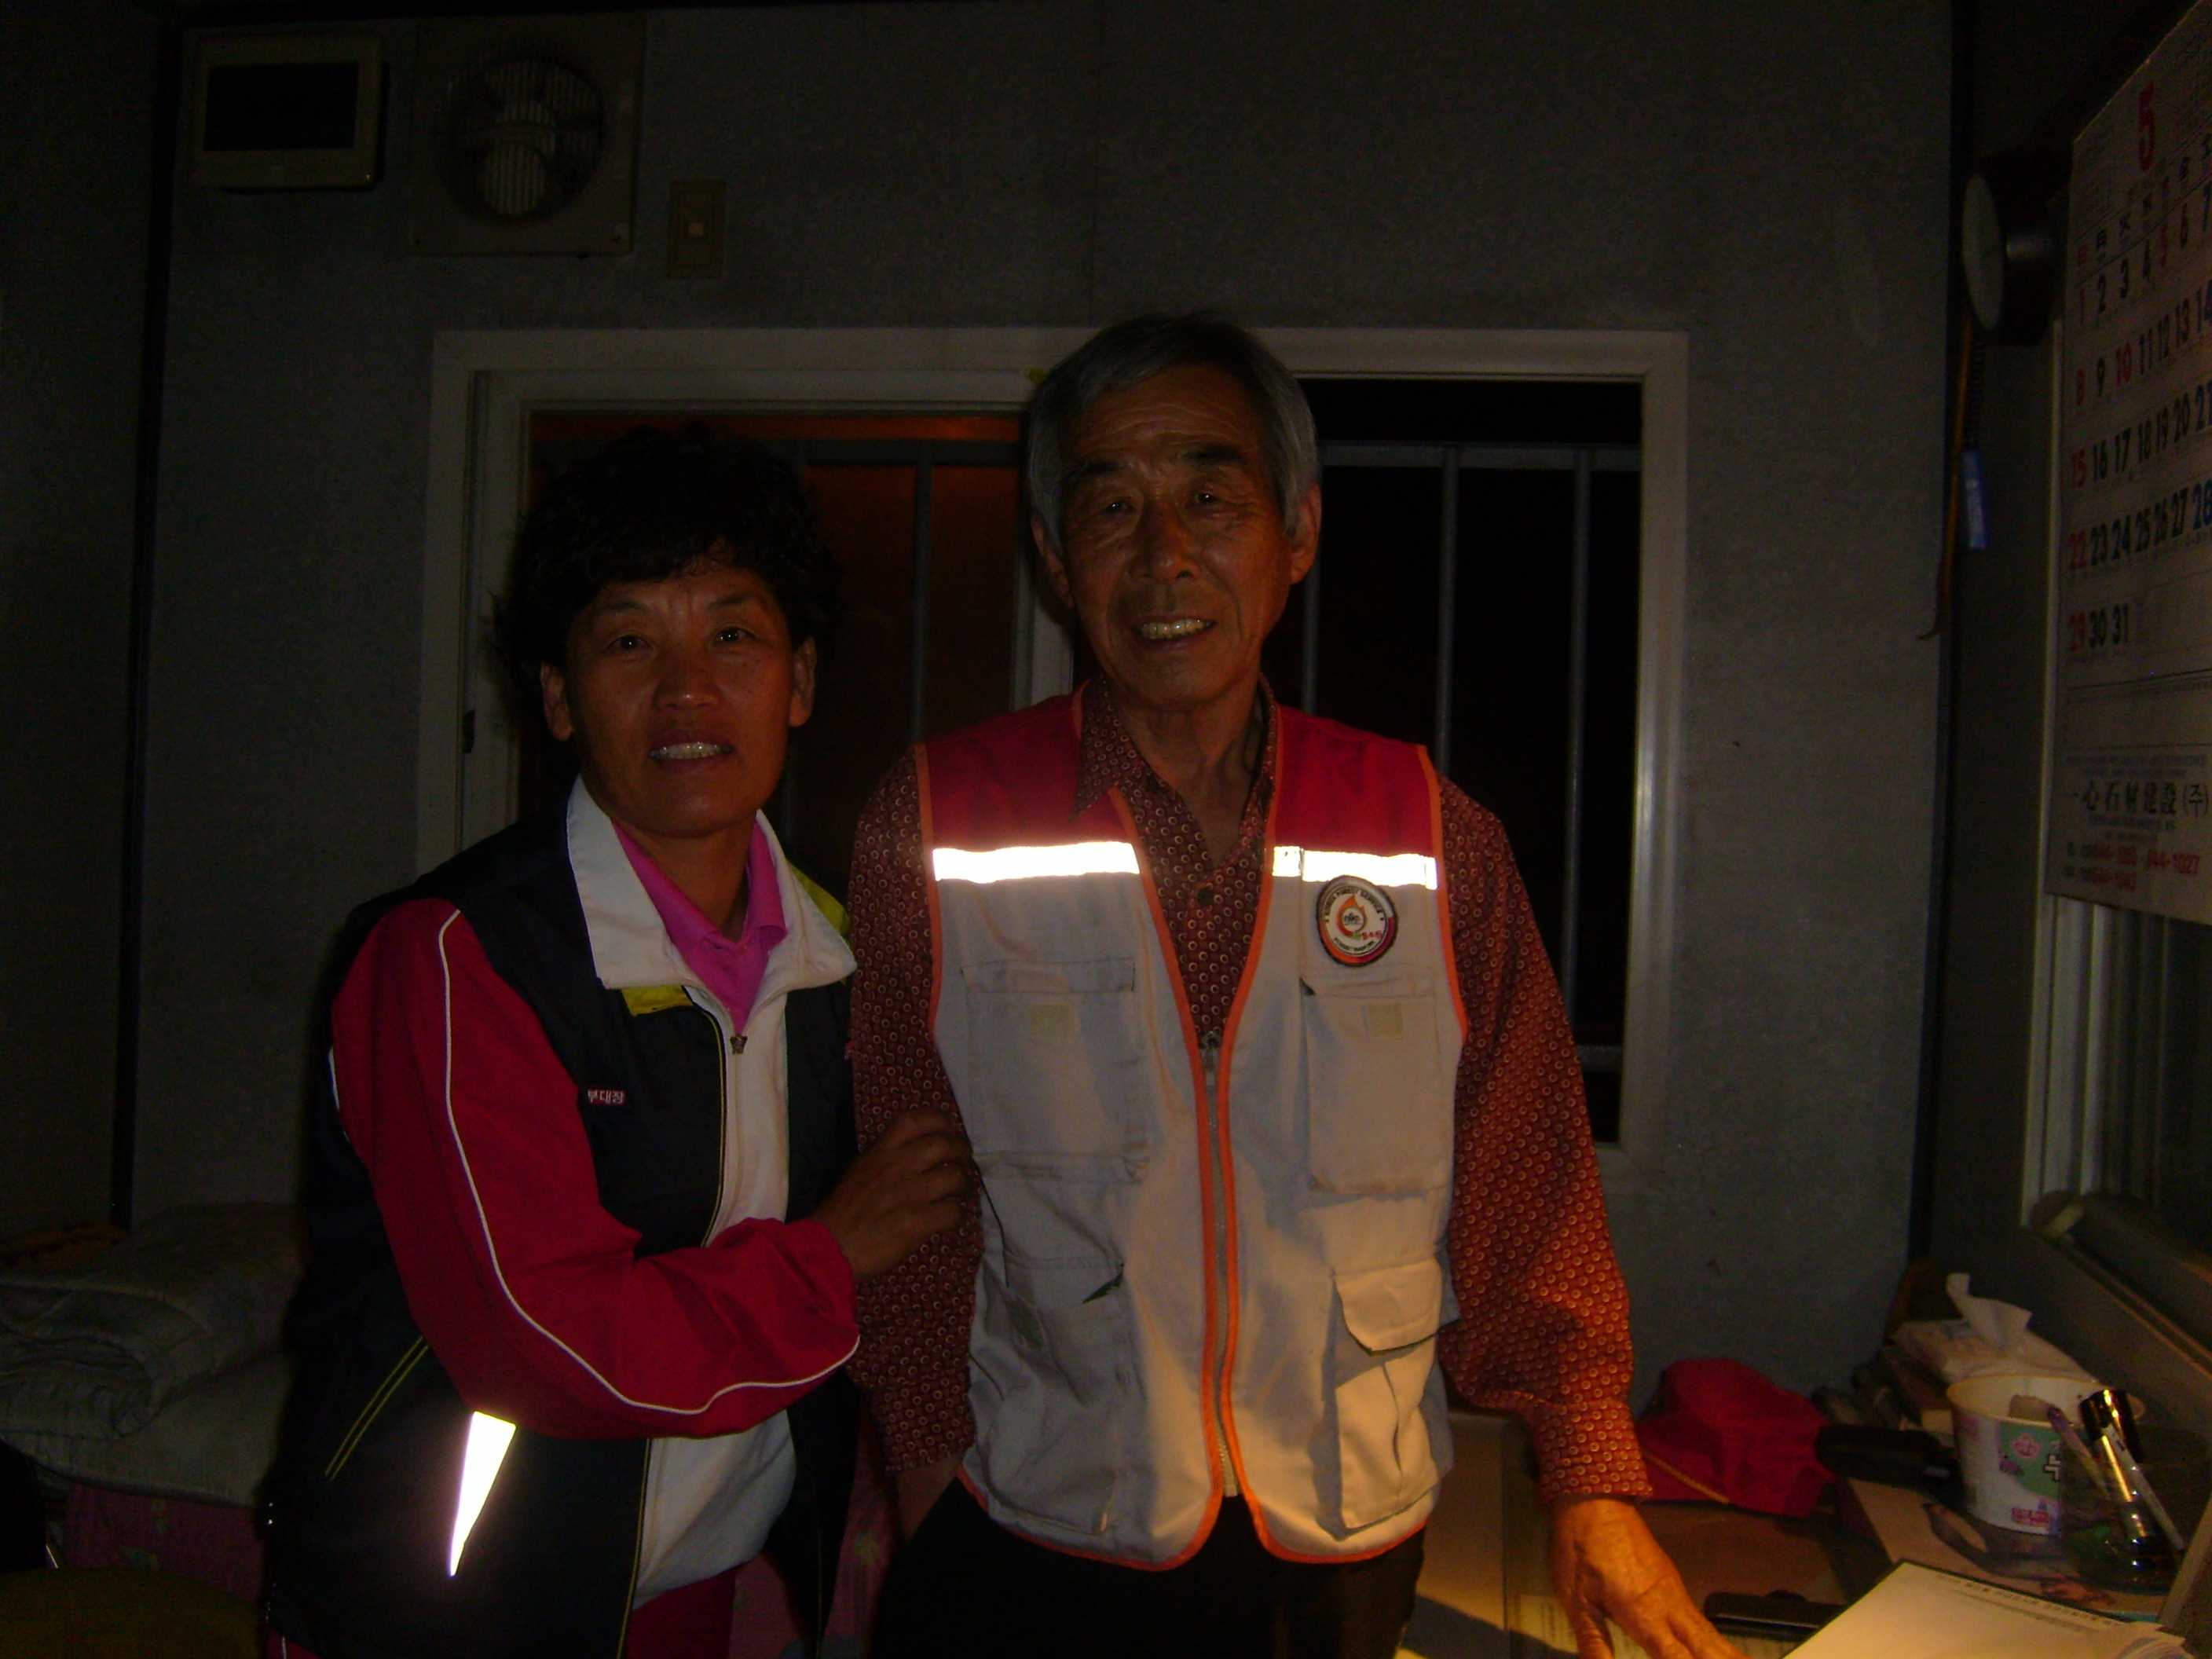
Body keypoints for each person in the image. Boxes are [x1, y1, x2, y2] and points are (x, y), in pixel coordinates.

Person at [846, 317, 1741, 1659]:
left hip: (1339, 1548)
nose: (1165, 556)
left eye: (1211, 498)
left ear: (1298, 532)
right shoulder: (933, 825)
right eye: (1111, 507)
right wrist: (928, 1499)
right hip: (1031, 1532)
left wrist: (1591, 1480)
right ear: (1055, 557)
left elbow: (1528, 1178)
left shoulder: (1434, 834)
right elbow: (907, 1204)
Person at [262, 427, 972, 1659]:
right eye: (630, 641)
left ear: (800, 681)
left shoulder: (846, 961)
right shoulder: (453, 956)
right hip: (446, 1617)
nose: (687, 690)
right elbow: (539, 1342)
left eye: (733, 635)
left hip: (691, 1595)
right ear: (557, 696)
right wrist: (831, 1255)